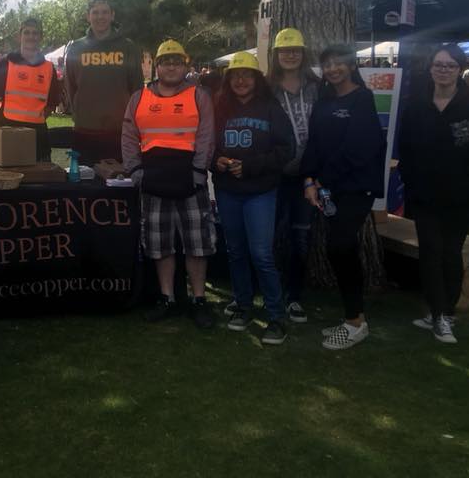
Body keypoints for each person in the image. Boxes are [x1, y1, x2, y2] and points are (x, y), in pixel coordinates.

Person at [398, 44, 469, 344]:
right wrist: (411, 184)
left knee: (451, 252)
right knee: (429, 251)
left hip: (460, 198)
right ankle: (438, 313)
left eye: (449, 65)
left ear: (459, 69)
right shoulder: (417, 104)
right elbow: (406, 148)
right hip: (424, 195)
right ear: (430, 68)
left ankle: (444, 313)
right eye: (438, 64)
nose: (443, 70)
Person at [121, 40, 216, 329]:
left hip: (190, 183)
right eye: (166, 61)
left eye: (176, 61)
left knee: (197, 246)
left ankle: (198, 299)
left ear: (185, 65)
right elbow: (128, 136)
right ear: (157, 67)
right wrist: (136, 171)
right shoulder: (138, 98)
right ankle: (168, 298)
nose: (171, 66)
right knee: (160, 245)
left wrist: (199, 173)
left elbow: (206, 136)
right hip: (153, 184)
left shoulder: (198, 96)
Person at [301, 44, 385, 351]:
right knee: (338, 248)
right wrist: (309, 180)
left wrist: (322, 179)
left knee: (341, 246)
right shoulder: (324, 100)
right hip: (328, 188)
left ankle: (356, 322)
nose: (333, 69)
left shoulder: (363, 98)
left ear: (351, 66)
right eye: (328, 65)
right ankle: (352, 317)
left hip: (355, 187)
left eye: (339, 64)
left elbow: (359, 147)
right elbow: (315, 144)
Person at [212, 51, 295, 344]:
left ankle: (276, 316)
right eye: (236, 76)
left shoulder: (271, 108)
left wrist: (250, 167)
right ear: (229, 80)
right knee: (235, 252)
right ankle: (243, 305)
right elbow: (207, 146)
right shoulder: (219, 107)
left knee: (261, 254)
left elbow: (287, 150)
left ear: (257, 79)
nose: (241, 80)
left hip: (260, 191)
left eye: (247, 75)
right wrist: (217, 160)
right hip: (227, 191)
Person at [267, 27, 321, 323]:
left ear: (303, 54)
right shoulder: (267, 88)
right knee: (272, 236)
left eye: (295, 50)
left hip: (307, 176)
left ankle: (294, 297)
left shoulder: (316, 86)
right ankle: (272, 292)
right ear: (276, 55)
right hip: (275, 175)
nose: (290, 55)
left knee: (301, 237)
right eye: (284, 51)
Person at [65, 0, 144, 164]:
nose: (100, 17)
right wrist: (79, 114)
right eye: (95, 12)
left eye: (104, 12)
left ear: (112, 15)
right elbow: (70, 87)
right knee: (84, 186)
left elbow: (137, 89)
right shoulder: (76, 48)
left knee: (119, 185)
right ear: (88, 16)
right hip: (84, 132)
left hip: (119, 132)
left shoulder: (127, 47)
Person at [0, 17, 61, 161]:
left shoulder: (48, 68)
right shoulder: (5, 63)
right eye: (27, 33)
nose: (31, 37)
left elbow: (51, 105)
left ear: (41, 37)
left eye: (35, 33)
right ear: (19, 36)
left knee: (41, 179)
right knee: (10, 178)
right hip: (9, 131)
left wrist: (35, 119)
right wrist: (3, 126)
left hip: (39, 135)